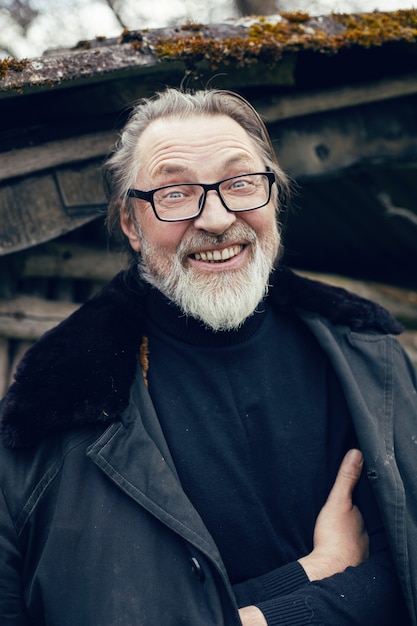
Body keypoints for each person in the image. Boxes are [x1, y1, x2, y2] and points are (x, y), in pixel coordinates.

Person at [0, 87, 415, 626]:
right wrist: (315, 574)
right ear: (131, 224)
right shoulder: (46, 418)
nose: (217, 218)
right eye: (175, 193)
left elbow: (402, 578)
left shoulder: (372, 359)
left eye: (241, 183)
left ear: (273, 198)